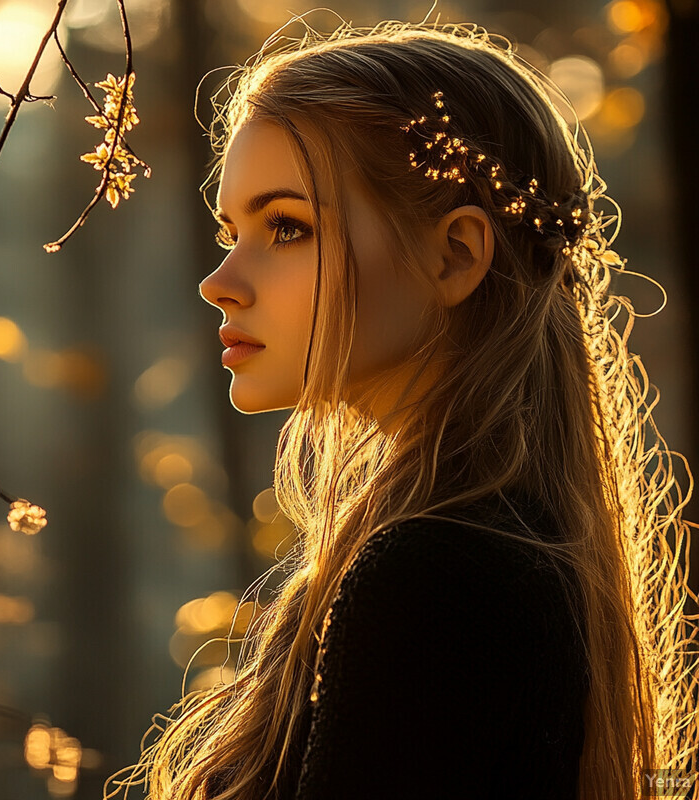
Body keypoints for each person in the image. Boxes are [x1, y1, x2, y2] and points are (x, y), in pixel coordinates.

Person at [106, 12, 699, 800]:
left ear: (454, 256)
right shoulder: (495, 551)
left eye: (287, 227)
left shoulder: (440, 577)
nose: (221, 281)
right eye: (230, 230)